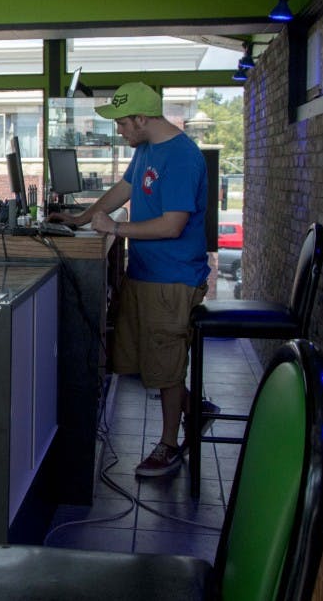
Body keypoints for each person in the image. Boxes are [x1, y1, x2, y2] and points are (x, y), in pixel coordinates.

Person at [48, 81, 210, 478]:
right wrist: (81, 218)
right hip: (145, 272)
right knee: (144, 359)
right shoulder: (147, 149)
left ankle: (169, 445)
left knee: (167, 366)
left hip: (172, 279)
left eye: (122, 123)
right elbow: (122, 191)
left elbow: (173, 226)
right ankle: (196, 410)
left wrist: (115, 231)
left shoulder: (183, 157)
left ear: (142, 118)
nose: (118, 130)